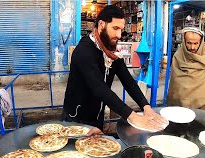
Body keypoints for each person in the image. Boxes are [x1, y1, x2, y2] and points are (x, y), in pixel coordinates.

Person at [62, 5, 167, 135]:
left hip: (97, 117)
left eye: (121, 30)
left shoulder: (110, 51)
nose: (119, 35)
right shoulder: (84, 51)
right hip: (75, 118)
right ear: (101, 24)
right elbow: (99, 88)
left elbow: (128, 81)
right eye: (115, 28)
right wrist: (133, 116)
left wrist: (146, 107)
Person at [167, 27, 205, 112]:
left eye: (196, 43)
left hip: (203, 110)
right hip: (180, 109)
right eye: (189, 43)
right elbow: (175, 86)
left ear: (201, 43)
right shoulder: (178, 57)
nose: (192, 47)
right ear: (184, 41)